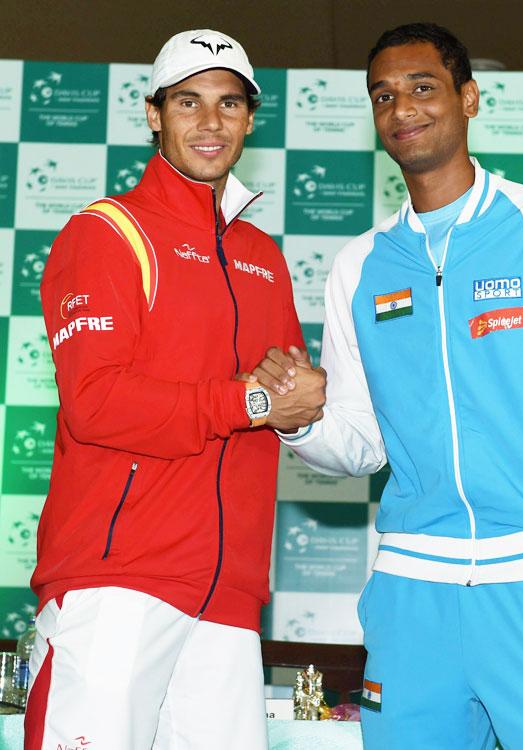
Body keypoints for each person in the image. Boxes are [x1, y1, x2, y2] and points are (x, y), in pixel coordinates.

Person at [253, 22, 523, 750]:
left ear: (469, 98)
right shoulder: (359, 267)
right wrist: (301, 421)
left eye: (422, 87)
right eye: (383, 95)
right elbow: (363, 442)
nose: (402, 107)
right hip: (413, 594)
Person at [27, 29, 325, 750]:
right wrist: (249, 402)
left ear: (252, 119)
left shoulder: (263, 257)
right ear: (154, 113)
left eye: (229, 104)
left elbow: (289, 395)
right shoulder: (107, 232)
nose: (211, 122)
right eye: (188, 102)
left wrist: (300, 400)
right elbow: (96, 403)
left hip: (228, 597)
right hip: (118, 582)